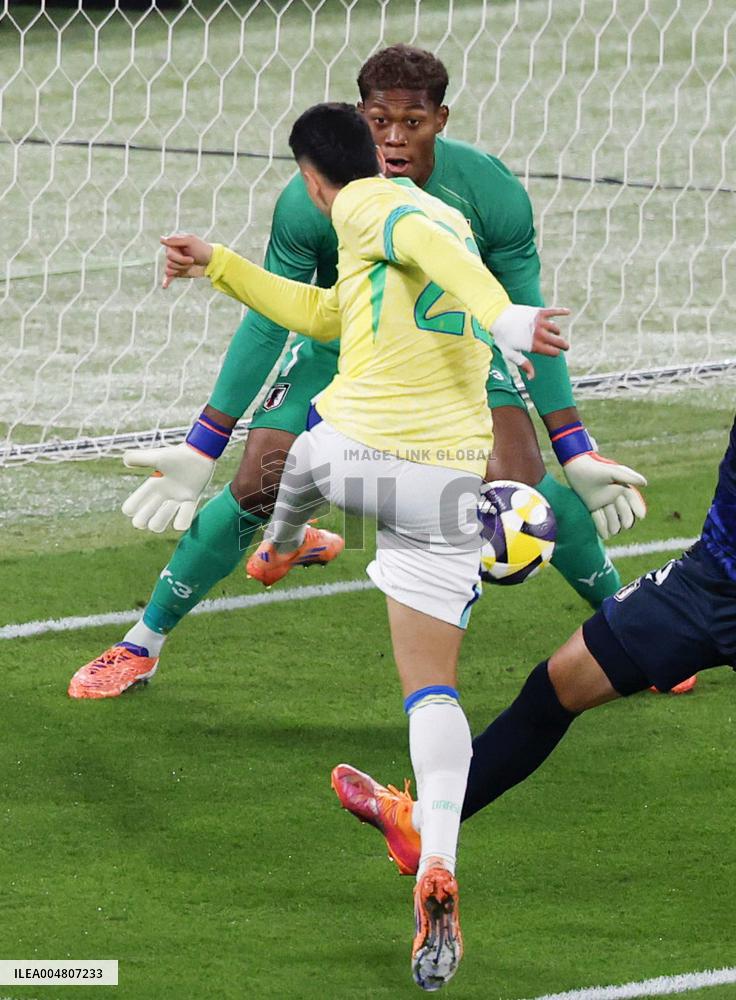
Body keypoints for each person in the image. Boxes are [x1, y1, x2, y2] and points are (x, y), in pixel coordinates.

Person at [68, 44, 647, 701]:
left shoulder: (488, 193)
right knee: (260, 476)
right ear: (359, 119)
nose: (394, 137)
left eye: (413, 122)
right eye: (379, 120)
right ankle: (143, 642)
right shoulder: (311, 199)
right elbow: (274, 319)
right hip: (343, 343)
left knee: (522, 481)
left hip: (457, 355)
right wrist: (206, 440)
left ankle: (634, 632)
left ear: (441, 119)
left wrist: (575, 447)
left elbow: (525, 322)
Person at [158, 101, 569, 991]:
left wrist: (502, 316)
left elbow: (432, 251)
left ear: (312, 176)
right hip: (449, 493)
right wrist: (223, 267)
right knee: (433, 694)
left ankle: (278, 545)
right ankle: (439, 858)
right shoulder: (433, 211)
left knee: (304, 453)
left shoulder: (371, 207)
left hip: (357, 460)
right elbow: (330, 314)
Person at [331, 413, 736, 877]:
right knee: (556, 687)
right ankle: (421, 826)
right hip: (707, 584)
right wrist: (574, 450)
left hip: (712, 580)